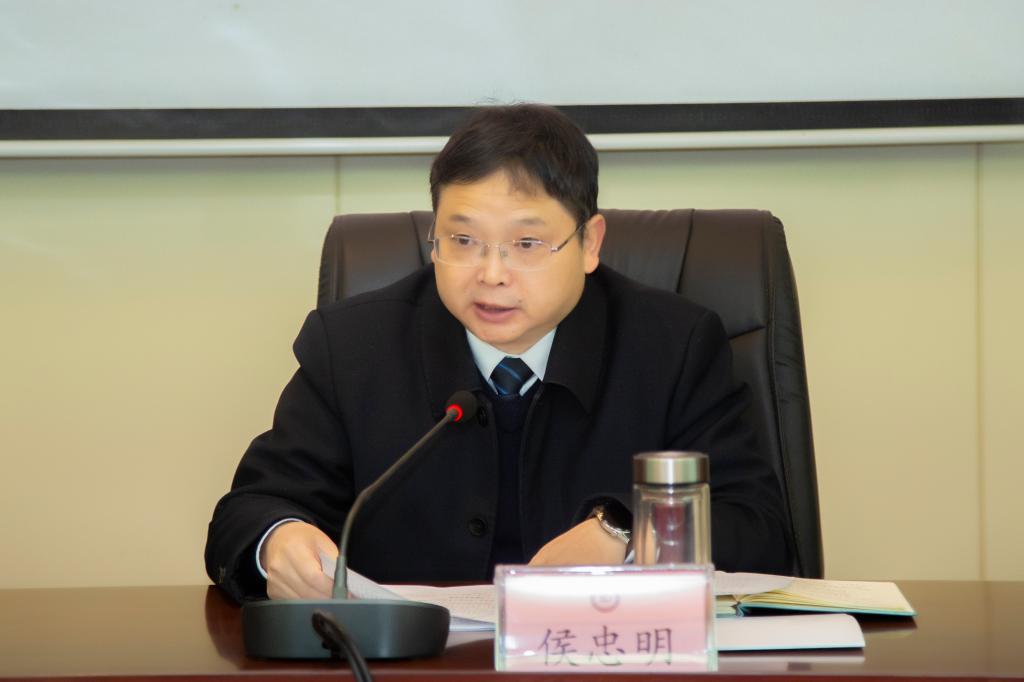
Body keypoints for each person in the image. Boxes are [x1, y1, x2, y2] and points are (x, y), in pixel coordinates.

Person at [205, 104, 792, 603]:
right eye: (462, 240)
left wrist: (628, 535)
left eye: (526, 243)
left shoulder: (673, 347)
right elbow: (250, 510)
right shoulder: (354, 347)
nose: (490, 274)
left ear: (589, 243)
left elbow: (758, 527)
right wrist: (277, 541)